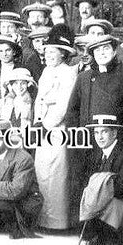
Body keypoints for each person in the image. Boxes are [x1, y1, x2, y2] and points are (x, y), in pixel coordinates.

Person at [78, 114, 123, 245]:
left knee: (116, 200)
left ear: (114, 133)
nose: (99, 137)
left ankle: (116, 242)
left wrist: (102, 185)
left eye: (104, 132)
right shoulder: (96, 153)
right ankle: (101, 235)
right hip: (110, 194)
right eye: (96, 132)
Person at [33, 30, 77, 230]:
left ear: (63, 53)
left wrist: (47, 123)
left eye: (54, 52)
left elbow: (64, 104)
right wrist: (37, 121)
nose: (49, 55)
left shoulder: (68, 72)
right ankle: (43, 219)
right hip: (42, 128)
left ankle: (58, 221)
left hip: (57, 128)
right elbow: (39, 99)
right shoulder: (45, 72)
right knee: (42, 172)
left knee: (57, 173)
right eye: (47, 51)